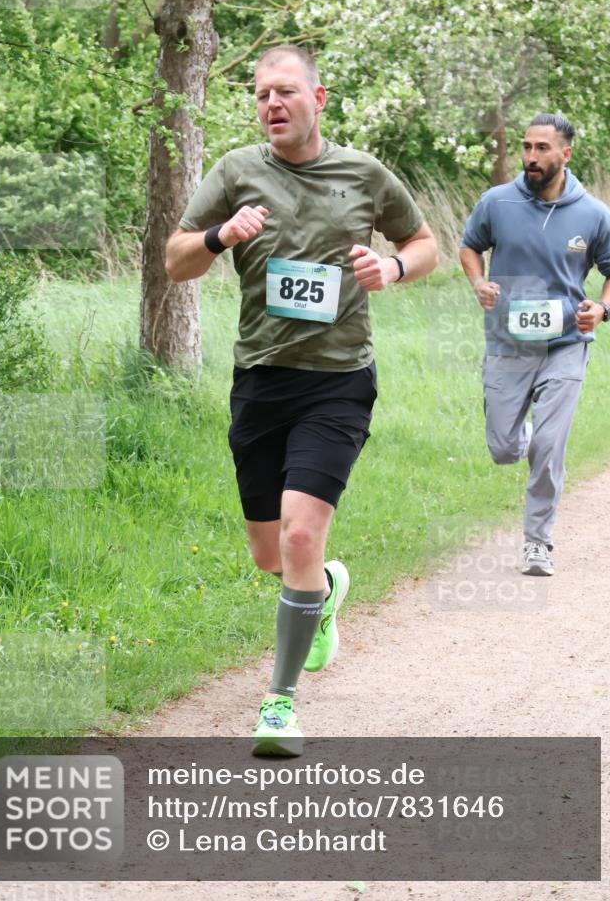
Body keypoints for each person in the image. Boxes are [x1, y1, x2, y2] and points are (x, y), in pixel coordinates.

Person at [165, 45, 438, 755]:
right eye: (260, 96)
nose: (271, 105)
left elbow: (424, 241)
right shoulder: (235, 172)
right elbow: (174, 260)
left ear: (319, 97)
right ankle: (320, 595)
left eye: (285, 92)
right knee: (269, 555)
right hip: (260, 379)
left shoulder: (363, 174)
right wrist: (222, 235)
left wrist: (394, 266)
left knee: (297, 536)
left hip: (338, 381)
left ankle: (278, 703)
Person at [460, 112, 610, 576]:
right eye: (527, 147)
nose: (531, 157)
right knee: (504, 448)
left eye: (542, 149)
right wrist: (478, 283)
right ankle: (523, 435)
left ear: (565, 154)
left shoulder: (593, 214)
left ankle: (538, 543)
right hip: (509, 344)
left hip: (566, 342)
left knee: (551, 444)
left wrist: (603, 309)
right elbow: (469, 246)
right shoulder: (497, 202)